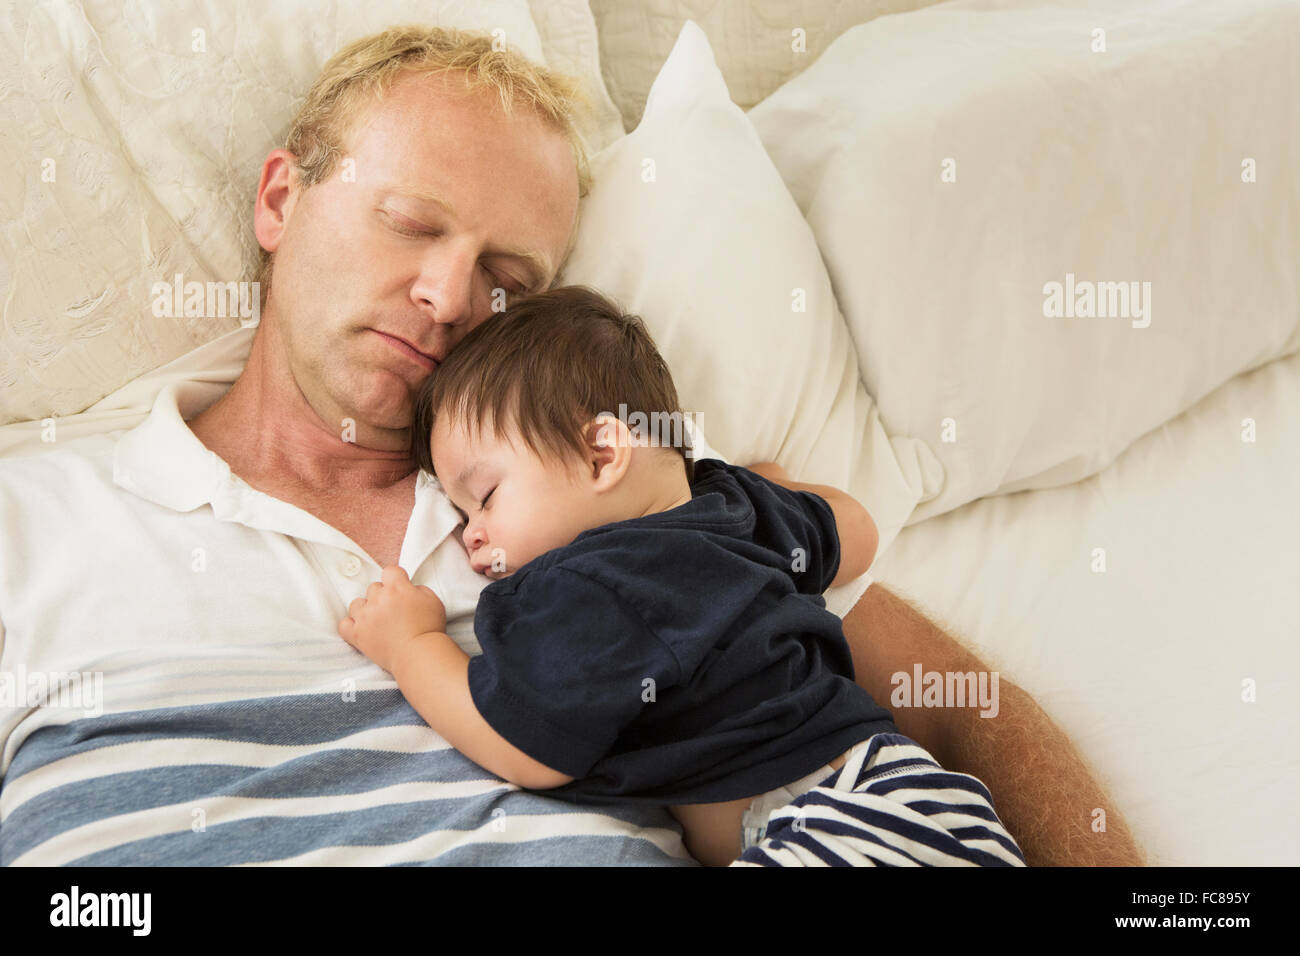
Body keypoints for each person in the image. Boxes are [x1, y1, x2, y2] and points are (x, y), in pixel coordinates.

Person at [0, 25, 1141, 866]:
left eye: (508, 283)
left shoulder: (608, 497)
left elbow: (950, 710)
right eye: (409, 222)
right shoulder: (35, 525)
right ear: (280, 199)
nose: (447, 295)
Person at [336, 284, 1028, 867]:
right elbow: (859, 534)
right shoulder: (733, 505)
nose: (471, 535)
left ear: (604, 452)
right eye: (459, 516)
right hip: (914, 791)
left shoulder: (586, 585)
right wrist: (779, 488)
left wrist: (411, 645)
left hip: (821, 822)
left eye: (483, 496)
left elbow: (525, 748)